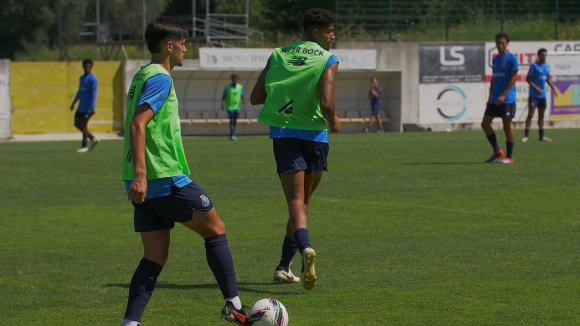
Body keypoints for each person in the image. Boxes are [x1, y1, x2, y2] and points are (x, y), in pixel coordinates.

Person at [120, 18, 248, 326]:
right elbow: (138, 124)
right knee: (215, 228)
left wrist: (136, 177)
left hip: (141, 182)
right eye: (183, 43)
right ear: (169, 45)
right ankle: (234, 305)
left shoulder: (141, 74)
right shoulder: (161, 78)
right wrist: (142, 174)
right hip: (162, 177)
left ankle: (130, 323)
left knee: (154, 256)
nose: (185, 48)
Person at [250, 8, 341, 291]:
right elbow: (326, 102)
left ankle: (293, 258)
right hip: (315, 137)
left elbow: (255, 97)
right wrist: (333, 120)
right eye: (329, 32)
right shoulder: (328, 58)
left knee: (296, 203)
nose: (333, 36)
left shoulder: (278, 54)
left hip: (285, 134)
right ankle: (288, 262)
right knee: (303, 204)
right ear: (315, 33)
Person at [481, 32, 518, 164]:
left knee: (507, 127)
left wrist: (504, 94)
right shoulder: (495, 59)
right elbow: (494, 78)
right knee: (485, 124)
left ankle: (509, 157)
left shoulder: (512, 58)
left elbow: (514, 77)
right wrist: (490, 95)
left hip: (507, 99)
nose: (500, 45)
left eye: (503, 43)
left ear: (507, 43)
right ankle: (497, 150)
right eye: (498, 43)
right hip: (494, 98)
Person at [523, 48, 557, 143]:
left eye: (545, 55)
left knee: (541, 116)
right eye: (542, 55)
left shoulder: (547, 66)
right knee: (530, 114)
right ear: (538, 56)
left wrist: (554, 88)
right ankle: (526, 136)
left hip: (542, 96)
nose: (544, 56)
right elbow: (528, 79)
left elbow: (547, 79)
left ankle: (541, 136)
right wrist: (536, 88)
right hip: (534, 95)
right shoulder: (534, 66)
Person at [70, 58, 99, 152]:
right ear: (83, 67)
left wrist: (93, 106)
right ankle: (92, 138)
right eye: (85, 66)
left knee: (83, 125)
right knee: (76, 123)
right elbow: (79, 92)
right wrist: (74, 103)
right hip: (81, 107)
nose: (87, 68)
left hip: (88, 108)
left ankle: (84, 146)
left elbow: (94, 93)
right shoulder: (82, 78)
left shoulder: (93, 79)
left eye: (89, 67)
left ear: (91, 67)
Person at [222, 74, 245, 141]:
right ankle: (232, 134)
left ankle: (233, 134)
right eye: (233, 79)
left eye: (236, 79)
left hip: (237, 107)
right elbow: (223, 96)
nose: (234, 80)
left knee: (234, 120)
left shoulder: (240, 87)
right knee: (231, 120)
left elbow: (242, 94)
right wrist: (222, 104)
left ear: (237, 79)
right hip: (229, 107)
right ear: (232, 79)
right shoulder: (227, 87)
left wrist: (243, 100)